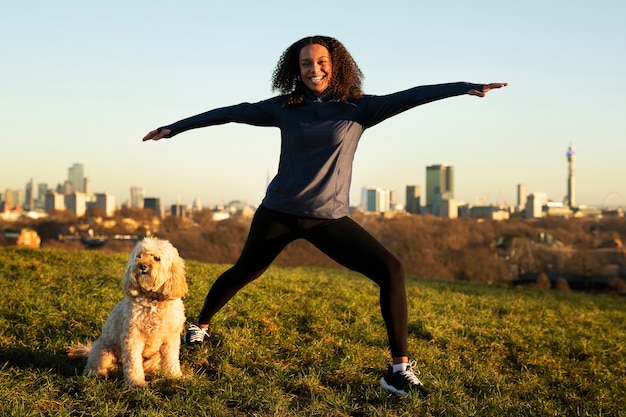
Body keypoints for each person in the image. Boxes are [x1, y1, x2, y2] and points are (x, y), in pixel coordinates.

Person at [143, 35, 507, 397]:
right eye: (306, 64)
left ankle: (398, 370)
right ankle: (200, 326)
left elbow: (410, 96)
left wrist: (464, 88)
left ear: (336, 65)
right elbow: (231, 112)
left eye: (321, 62)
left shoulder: (358, 108)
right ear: (296, 69)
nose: (314, 70)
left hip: (327, 219)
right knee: (245, 270)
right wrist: (175, 127)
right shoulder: (285, 107)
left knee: (391, 269)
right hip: (278, 212)